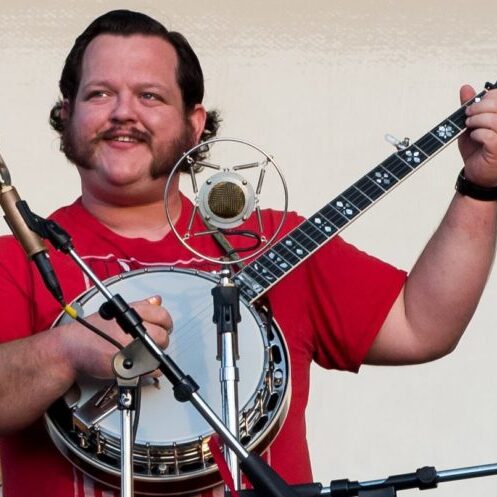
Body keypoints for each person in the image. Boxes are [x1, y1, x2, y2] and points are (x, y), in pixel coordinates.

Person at [0, 8, 496, 497]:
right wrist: (63, 352)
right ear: (67, 115)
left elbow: (421, 324)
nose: (123, 112)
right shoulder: (18, 259)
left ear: (195, 124)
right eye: (100, 93)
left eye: (149, 95)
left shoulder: (273, 241)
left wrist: (481, 189)